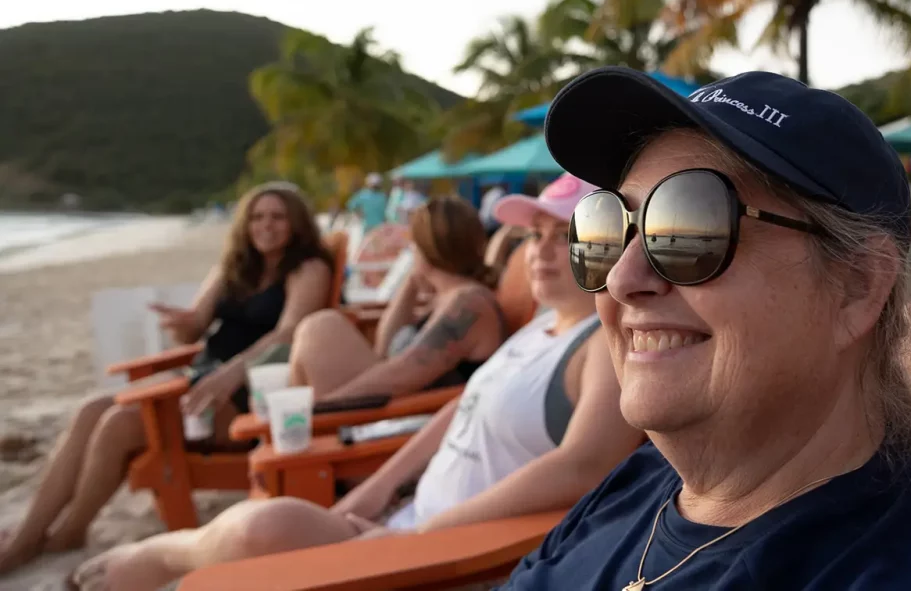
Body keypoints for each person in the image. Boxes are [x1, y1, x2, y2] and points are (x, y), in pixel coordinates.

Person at [497, 67, 911, 589]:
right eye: (607, 228)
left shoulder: (875, 575)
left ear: (856, 286)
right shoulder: (646, 478)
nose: (622, 278)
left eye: (690, 227)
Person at [69, 174, 647, 591]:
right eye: (535, 236)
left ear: (613, 244)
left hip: (457, 555)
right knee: (268, 528)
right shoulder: (543, 326)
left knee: (263, 529)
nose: (540, 252)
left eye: (565, 234)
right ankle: (155, 556)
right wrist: (377, 494)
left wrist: (423, 534)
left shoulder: (602, 344)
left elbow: (583, 468)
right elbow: (458, 408)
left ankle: (156, 556)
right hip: (407, 521)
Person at [0, 182, 333, 574]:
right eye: (257, 217)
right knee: (92, 409)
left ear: (296, 223)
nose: (266, 226)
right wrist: (184, 323)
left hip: (250, 394)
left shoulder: (307, 268)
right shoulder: (234, 268)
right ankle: (29, 534)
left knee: (121, 423)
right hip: (204, 384)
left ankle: (71, 531)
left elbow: (288, 332)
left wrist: (230, 373)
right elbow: (192, 331)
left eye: (278, 217)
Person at [285, 195, 506, 400]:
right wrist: (411, 282)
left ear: (424, 248)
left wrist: (321, 407)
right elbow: (384, 347)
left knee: (321, 326)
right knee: (320, 326)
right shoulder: (445, 298)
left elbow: (403, 374)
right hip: (395, 405)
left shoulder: (468, 303)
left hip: (414, 417)